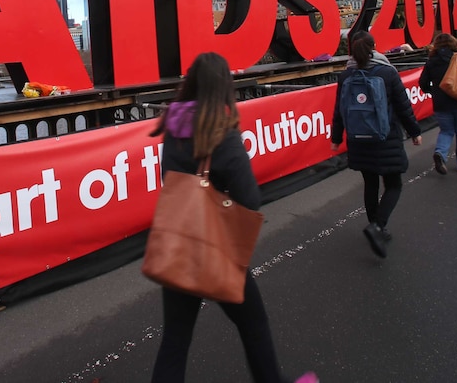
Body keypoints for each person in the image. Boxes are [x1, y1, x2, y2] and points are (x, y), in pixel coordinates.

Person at [149, 52, 318, 383]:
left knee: (176, 339)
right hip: (216, 249)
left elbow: (170, 180)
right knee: (253, 323)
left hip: (178, 245)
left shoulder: (171, 125)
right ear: (224, 87)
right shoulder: (223, 133)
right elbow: (250, 199)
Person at [331, 31, 422, 258]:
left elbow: (339, 112)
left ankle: (376, 225)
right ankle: (378, 226)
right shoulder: (387, 73)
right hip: (386, 137)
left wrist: (336, 138)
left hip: (358, 140)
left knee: (370, 183)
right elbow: (403, 107)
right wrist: (415, 132)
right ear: (374, 47)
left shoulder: (345, 76)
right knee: (394, 184)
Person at [418, 33, 457, 174]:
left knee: (446, 131)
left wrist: (433, 91)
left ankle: (440, 153)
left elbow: (422, 83)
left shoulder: (431, 62)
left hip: (441, 103)